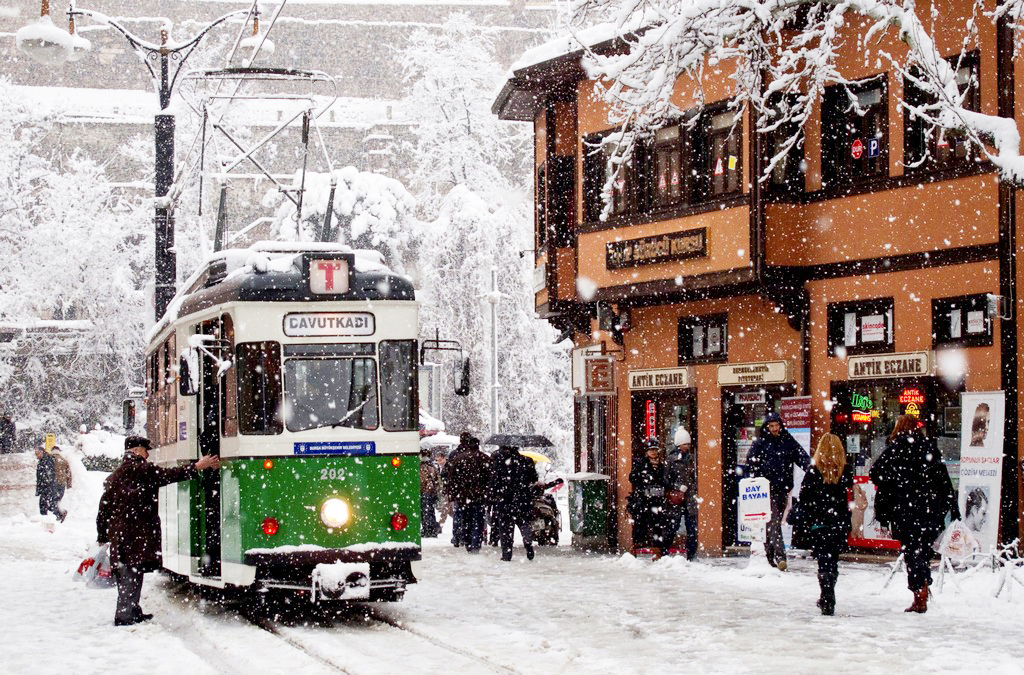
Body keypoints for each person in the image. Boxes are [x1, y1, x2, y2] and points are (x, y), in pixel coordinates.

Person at [96, 436, 220, 626]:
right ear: (136, 450)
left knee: (128, 573)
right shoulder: (143, 470)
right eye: (145, 450)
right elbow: (170, 475)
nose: (147, 454)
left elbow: (103, 509)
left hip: (121, 535)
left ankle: (132, 610)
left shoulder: (115, 476)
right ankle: (125, 615)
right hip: (137, 534)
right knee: (131, 574)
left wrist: (102, 535)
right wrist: (197, 467)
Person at [870, 415, 959, 614]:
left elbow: (875, 473)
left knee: (912, 552)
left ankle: (920, 594)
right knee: (922, 551)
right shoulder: (929, 448)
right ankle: (922, 588)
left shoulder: (895, 450)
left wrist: (895, 482)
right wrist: (951, 505)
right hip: (929, 510)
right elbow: (943, 479)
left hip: (905, 510)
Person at [745, 411, 810, 571]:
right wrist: (758, 478)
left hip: (783, 489)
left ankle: (769, 555)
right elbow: (750, 462)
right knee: (774, 522)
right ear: (767, 427)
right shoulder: (761, 443)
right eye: (772, 426)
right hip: (766, 490)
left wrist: (812, 469)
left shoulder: (787, 440)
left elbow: (801, 456)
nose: (775, 429)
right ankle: (781, 557)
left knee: (772, 523)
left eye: (777, 425)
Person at [798, 433, 854, 616]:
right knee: (833, 560)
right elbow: (848, 498)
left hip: (819, 523)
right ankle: (829, 594)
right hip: (838, 523)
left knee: (823, 560)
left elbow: (804, 496)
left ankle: (826, 595)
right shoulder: (845, 471)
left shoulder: (814, 470)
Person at [488, 445, 538, 561]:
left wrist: (492, 496)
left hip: (505, 500)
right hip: (523, 500)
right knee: (524, 524)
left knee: (505, 529)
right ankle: (528, 544)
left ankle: (507, 553)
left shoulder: (499, 463)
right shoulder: (527, 461)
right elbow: (533, 478)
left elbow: (493, 482)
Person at [443, 434, 490, 553]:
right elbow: (490, 478)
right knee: (478, 521)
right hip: (479, 496)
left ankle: (468, 542)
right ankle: (475, 543)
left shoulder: (459, 458)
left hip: (463, 496)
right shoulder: (484, 458)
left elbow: (452, 478)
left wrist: (452, 493)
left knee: (466, 519)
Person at [627, 439, 673, 560]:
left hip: (657, 500)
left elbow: (666, 481)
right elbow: (632, 478)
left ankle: (657, 551)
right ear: (646, 451)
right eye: (651, 449)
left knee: (658, 525)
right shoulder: (640, 463)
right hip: (643, 500)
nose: (653, 452)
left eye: (655, 449)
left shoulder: (662, 465)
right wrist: (644, 479)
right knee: (640, 524)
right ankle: (635, 548)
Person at [667, 427, 698, 560]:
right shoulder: (671, 459)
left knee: (692, 527)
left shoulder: (692, 458)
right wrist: (678, 487)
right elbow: (666, 479)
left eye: (688, 444)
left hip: (690, 497)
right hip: (677, 497)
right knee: (673, 525)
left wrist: (692, 489)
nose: (687, 446)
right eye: (685, 444)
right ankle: (665, 552)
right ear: (679, 444)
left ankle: (691, 554)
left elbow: (693, 477)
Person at [442, 432, 473, 547]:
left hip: (457, 489)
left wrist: (449, 486)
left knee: (458, 513)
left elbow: (446, 472)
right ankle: (467, 536)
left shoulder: (454, 454)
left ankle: (456, 537)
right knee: (469, 514)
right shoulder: (471, 454)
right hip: (471, 490)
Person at [35, 446, 66, 521]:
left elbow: (49, 474)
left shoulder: (47, 460)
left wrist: (48, 484)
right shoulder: (43, 460)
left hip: (48, 487)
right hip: (45, 487)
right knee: (44, 505)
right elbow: (40, 476)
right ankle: (48, 518)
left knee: (49, 504)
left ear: (42, 452)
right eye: (36, 454)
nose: (37, 455)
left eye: (38, 453)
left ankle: (60, 515)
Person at [419, 447, 442, 537]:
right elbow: (438, 481)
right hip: (431, 492)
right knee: (430, 511)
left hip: (424, 492)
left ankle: (427, 529)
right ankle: (431, 529)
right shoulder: (432, 467)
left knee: (425, 512)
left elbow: (421, 481)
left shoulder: (421, 467)